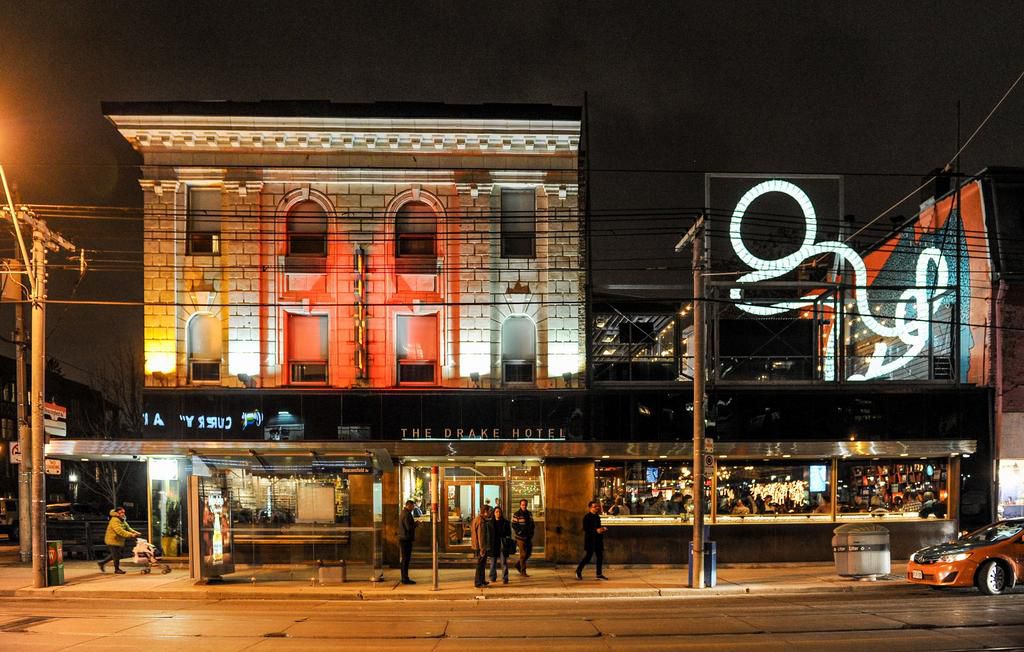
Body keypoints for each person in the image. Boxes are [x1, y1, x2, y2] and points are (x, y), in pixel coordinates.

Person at [97, 506, 141, 574]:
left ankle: (101, 563)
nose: (123, 513)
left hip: (118, 540)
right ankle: (117, 569)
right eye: (121, 512)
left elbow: (128, 528)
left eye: (123, 512)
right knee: (116, 555)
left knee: (116, 555)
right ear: (116, 513)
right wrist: (131, 535)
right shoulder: (114, 520)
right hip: (112, 540)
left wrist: (135, 532)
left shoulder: (122, 519)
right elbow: (119, 531)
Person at [575, 500, 608, 580]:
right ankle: (578, 570)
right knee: (588, 557)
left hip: (598, 540)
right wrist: (596, 530)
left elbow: (598, 527)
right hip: (590, 540)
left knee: (600, 557)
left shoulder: (597, 516)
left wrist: (602, 529)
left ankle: (599, 574)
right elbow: (586, 528)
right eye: (594, 507)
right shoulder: (587, 517)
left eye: (597, 506)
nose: (597, 508)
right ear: (590, 508)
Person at [488, 505, 513, 584]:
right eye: (496, 512)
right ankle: (492, 577)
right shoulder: (490, 523)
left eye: (499, 512)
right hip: (493, 544)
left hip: (502, 544)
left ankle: (505, 578)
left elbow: (509, 533)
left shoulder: (505, 522)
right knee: (493, 563)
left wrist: (506, 540)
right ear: (494, 513)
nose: (498, 513)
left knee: (503, 562)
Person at [512, 499, 535, 576]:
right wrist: (519, 532)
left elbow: (532, 523)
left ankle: (518, 564)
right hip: (520, 538)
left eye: (525, 504)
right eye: (522, 505)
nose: (524, 506)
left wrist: (532, 532)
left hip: (528, 537)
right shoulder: (517, 514)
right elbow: (514, 524)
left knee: (529, 553)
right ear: (520, 505)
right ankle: (523, 571)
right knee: (523, 554)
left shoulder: (529, 513)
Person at [470, 504, 492, 588]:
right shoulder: (481, 521)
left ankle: (482, 580)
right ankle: (478, 582)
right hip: (480, 547)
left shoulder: (478, 519)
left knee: (482, 564)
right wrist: (482, 549)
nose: (490, 513)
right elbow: (481, 536)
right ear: (485, 512)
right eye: (489, 511)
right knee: (480, 565)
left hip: (478, 546)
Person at [398, 499, 418, 585]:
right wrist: (416, 524)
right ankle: (404, 578)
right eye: (413, 506)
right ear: (409, 505)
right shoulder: (406, 514)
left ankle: (404, 577)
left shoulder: (403, 513)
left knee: (405, 559)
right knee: (406, 559)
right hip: (406, 539)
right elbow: (408, 527)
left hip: (404, 538)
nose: (413, 508)